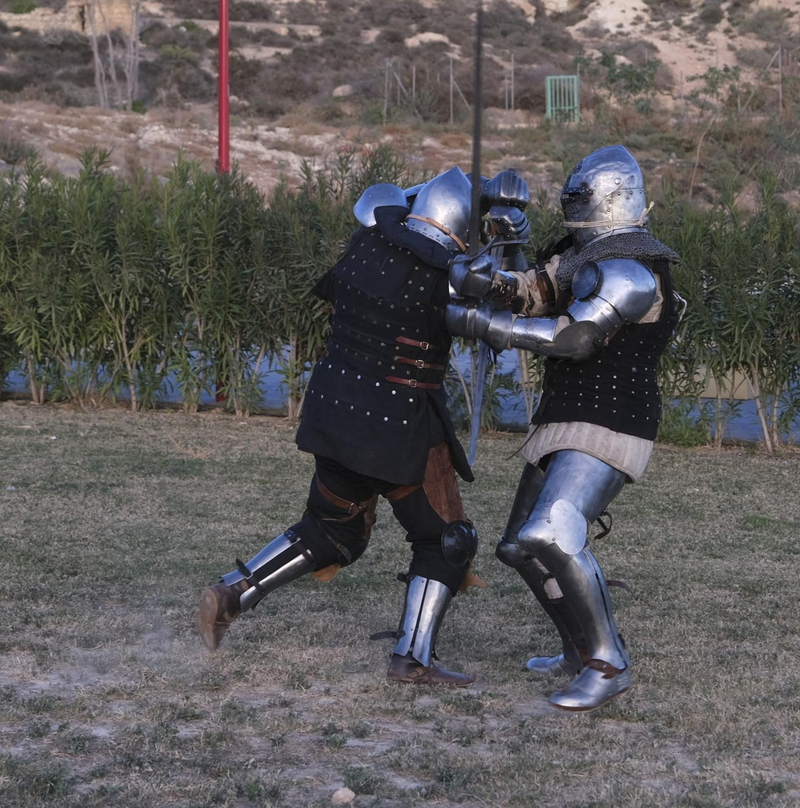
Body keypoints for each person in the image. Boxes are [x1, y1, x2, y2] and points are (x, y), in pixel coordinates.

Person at [196, 167, 529, 686]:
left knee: (336, 528)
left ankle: (232, 593)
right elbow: (502, 320)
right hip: (397, 426)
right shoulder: (444, 277)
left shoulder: (367, 244)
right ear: (459, 232)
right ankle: (413, 658)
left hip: (335, 410)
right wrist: (509, 248)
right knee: (447, 540)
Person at [446, 145, 680, 711]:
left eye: (580, 194)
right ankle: (578, 651)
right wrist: (486, 278)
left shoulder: (633, 270)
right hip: (563, 416)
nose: (571, 201)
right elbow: (532, 290)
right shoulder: (580, 257)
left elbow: (574, 337)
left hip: (609, 420)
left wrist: (480, 322)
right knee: (518, 548)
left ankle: (608, 662)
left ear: (606, 198)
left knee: (550, 532)